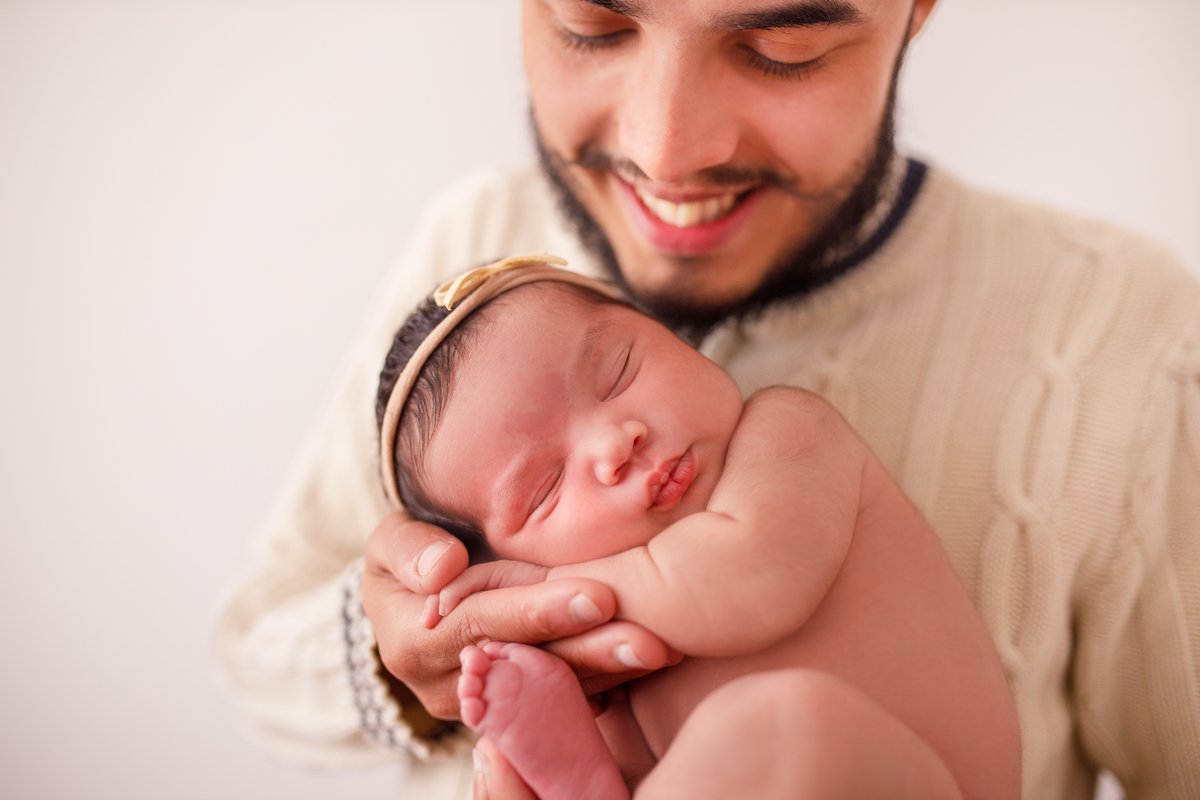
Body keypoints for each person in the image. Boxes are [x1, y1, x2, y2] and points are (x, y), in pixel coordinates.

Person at [211, 1, 1200, 799]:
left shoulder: (1120, 334)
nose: (667, 150)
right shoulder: (470, 244)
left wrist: (523, 600)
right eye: (593, 26)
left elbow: (743, 579)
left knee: (777, 727)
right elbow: (252, 644)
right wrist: (415, 651)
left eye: (783, 46)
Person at [373, 257, 1020, 800]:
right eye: (544, 489)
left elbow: (749, 583)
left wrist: (542, 591)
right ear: (492, 557)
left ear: (670, 334)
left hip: (918, 780)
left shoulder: (790, 436)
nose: (615, 443)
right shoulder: (609, 656)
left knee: (781, 726)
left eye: (618, 371)